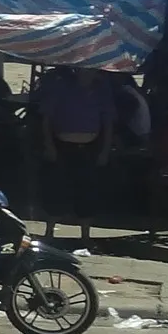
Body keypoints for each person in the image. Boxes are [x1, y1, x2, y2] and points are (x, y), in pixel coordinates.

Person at [32, 65, 112, 242]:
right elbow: (47, 119)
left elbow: (108, 124)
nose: (87, 74)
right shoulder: (62, 88)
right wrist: (50, 146)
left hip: (89, 147)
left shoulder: (101, 91)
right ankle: (50, 232)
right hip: (62, 146)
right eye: (83, 70)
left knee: (87, 191)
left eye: (91, 71)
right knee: (57, 189)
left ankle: (85, 236)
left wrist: (104, 150)